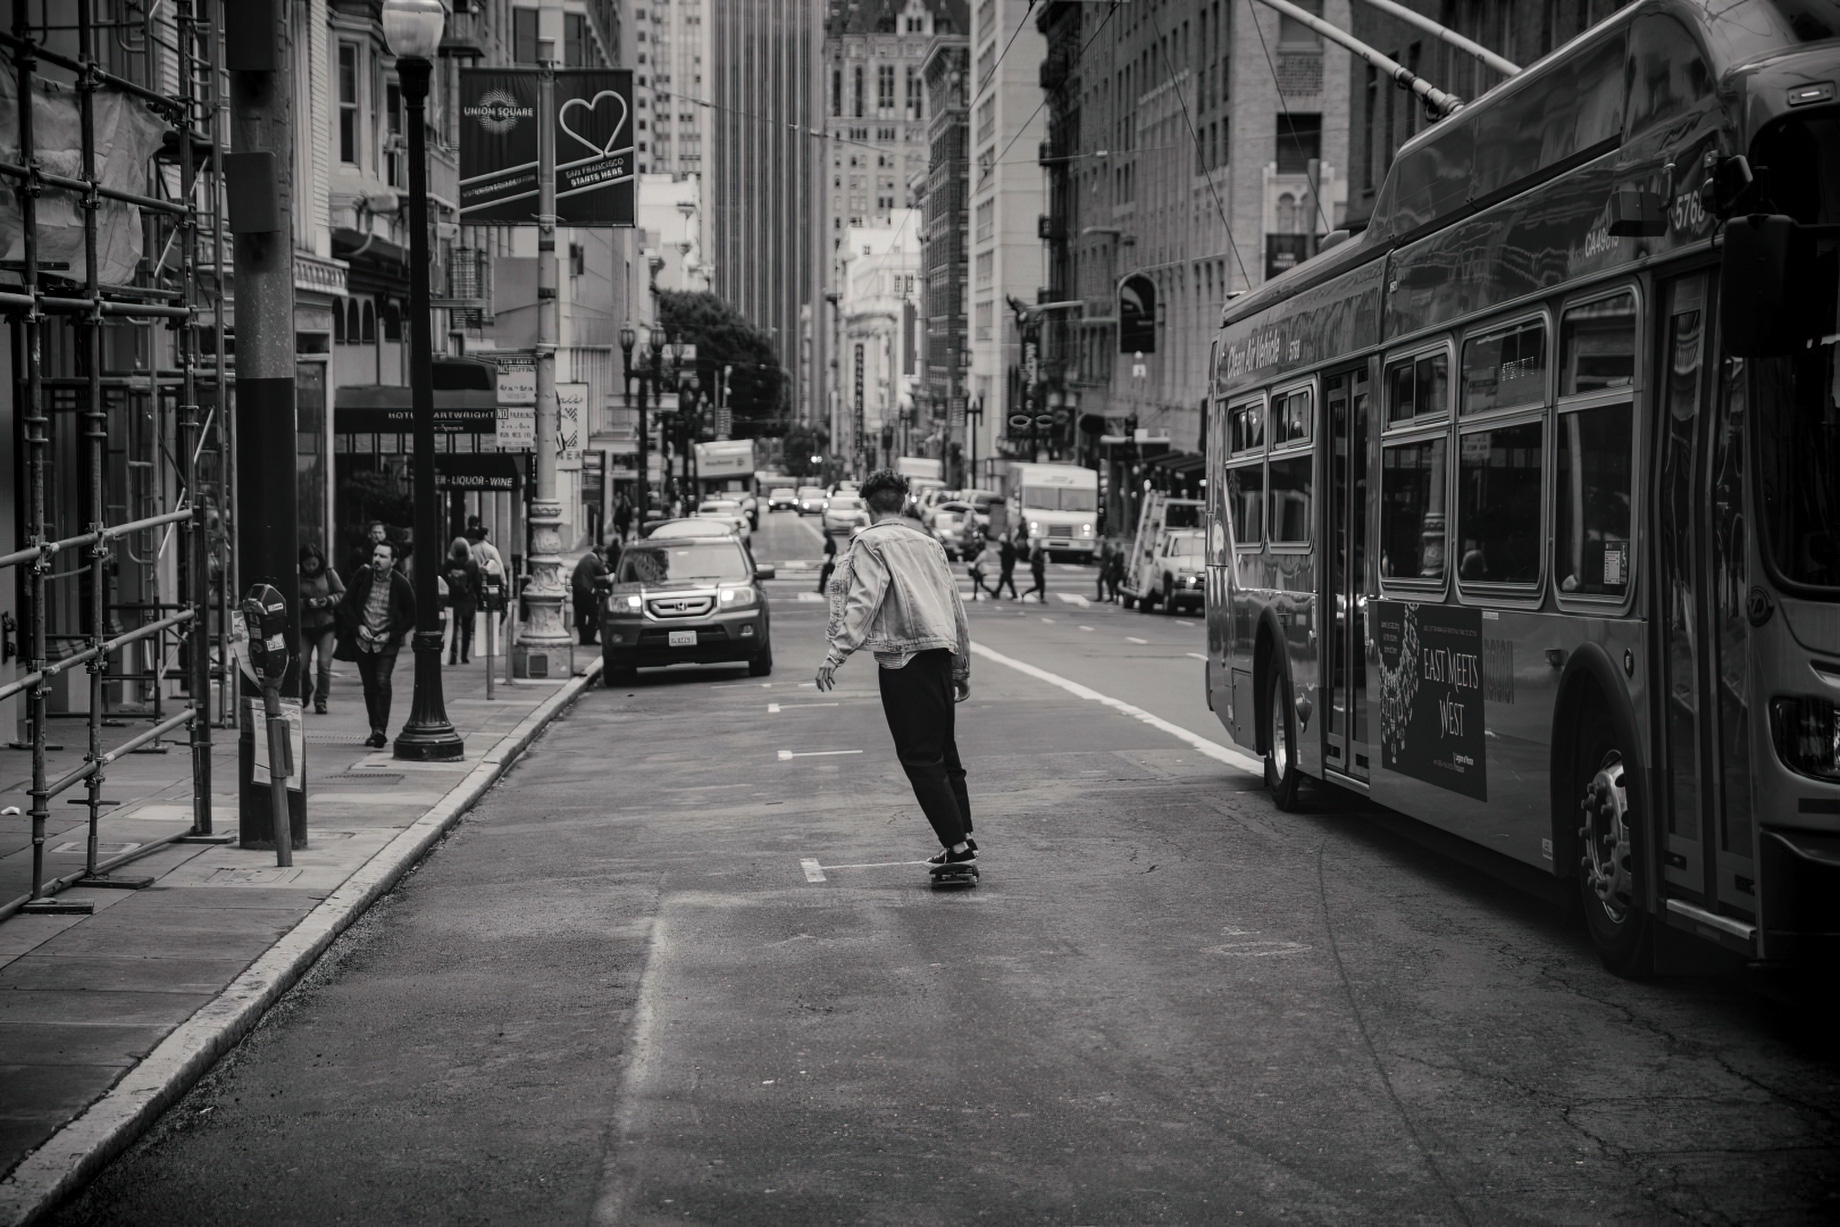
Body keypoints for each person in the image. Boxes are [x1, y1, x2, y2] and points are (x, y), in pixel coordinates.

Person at [817, 469, 977, 875]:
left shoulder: (869, 543)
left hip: (903, 659)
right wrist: (961, 668)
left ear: (866, 504)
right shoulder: (929, 544)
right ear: (904, 502)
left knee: (920, 757)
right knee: (945, 753)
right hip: (940, 654)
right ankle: (963, 837)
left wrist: (836, 653)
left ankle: (957, 850)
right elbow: (954, 605)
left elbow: (865, 599)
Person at [336, 539, 416, 749]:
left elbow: (411, 614)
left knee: (382, 681)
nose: (377, 560)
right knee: (370, 686)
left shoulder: (400, 583)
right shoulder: (363, 576)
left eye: (383, 556)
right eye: (376, 555)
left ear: (394, 560)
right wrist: (358, 628)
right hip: (363, 641)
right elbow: (346, 604)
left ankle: (380, 729)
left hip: (386, 641)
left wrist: (392, 634)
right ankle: (375, 729)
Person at [297, 544, 344, 714]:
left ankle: (321, 699)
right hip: (305, 626)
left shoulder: (329, 574)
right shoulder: (297, 576)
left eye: (314, 564)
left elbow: (342, 593)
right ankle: (305, 691)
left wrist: (329, 600)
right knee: (302, 664)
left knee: (324, 664)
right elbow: (289, 598)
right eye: (307, 564)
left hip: (326, 625)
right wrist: (305, 604)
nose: (310, 567)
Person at [442, 537, 483, 664]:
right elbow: (477, 583)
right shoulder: (471, 563)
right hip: (468, 599)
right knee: (466, 629)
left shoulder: (449, 563)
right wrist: (480, 601)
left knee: (452, 628)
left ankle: (453, 654)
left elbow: (442, 579)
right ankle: (464, 656)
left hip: (452, 599)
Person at [571, 546, 608, 646]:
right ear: (600, 554)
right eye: (605, 556)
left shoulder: (584, 559)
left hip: (576, 589)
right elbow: (605, 575)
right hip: (587, 589)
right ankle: (589, 638)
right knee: (594, 614)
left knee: (580, 616)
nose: (606, 558)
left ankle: (583, 638)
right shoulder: (594, 561)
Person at [966, 536, 996, 601]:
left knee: (979, 584)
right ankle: (992, 593)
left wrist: (972, 564)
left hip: (980, 570)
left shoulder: (983, 553)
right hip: (980, 569)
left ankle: (993, 593)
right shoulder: (983, 552)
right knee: (979, 584)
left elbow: (978, 560)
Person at [1022, 535, 1049, 603]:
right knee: (1040, 585)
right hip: (1037, 569)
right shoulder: (1036, 549)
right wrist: (1039, 563)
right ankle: (1040, 598)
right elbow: (1031, 559)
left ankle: (1026, 593)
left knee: (1039, 585)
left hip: (1037, 569)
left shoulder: (1036, 549)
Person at [997, 532, 1019, 600]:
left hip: (1007, 566)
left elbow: (1008, 556)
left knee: (1007, 580)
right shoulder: (1008, 546)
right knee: (1004, 579)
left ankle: (997, 592)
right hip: (1008, 566)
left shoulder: (1007, 546)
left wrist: (1001, 553)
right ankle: (997, 592)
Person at [816, 530, 838, 595]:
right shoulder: (830, 540)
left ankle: (821, 589)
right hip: (830, 562)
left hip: (829, 562)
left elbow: (832, 551)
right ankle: (821, 589)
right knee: (830, 576)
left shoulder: (830, 541)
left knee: (825, 576)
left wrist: (829, 560)